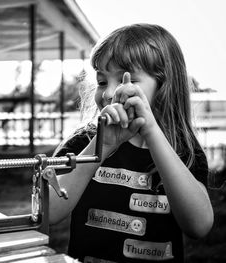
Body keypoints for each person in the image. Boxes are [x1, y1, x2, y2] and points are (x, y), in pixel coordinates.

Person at [49, 23, 214, 262]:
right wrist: (101, 147)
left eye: (127, 81)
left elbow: (199, 226)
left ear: (164, 87)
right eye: (102, 81)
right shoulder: (84, 142)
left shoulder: (183, 152)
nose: (107, 94)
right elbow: (50, 212)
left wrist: (151, 132)